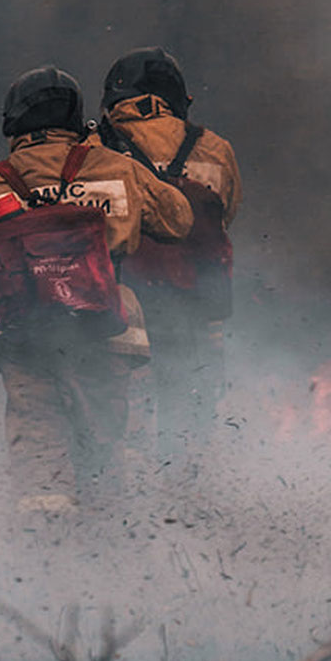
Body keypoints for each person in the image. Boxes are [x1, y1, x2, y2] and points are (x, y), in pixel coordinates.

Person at [0, 65, 193, 513]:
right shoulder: (118, 168)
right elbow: (179, 220)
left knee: (39, 444)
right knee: (116, 439)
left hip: (25, 334)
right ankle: (125, 539)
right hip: (111, 330)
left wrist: (24, 282)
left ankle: (50, 554)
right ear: (77, 118)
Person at [97, 47, 242, 462]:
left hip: (119, 307)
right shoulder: (216, 150)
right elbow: (226, 213)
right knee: (191, 420)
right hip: (195, 304)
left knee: (127, 421)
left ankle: (130, 514)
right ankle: (187, 511)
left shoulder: (92, 148)